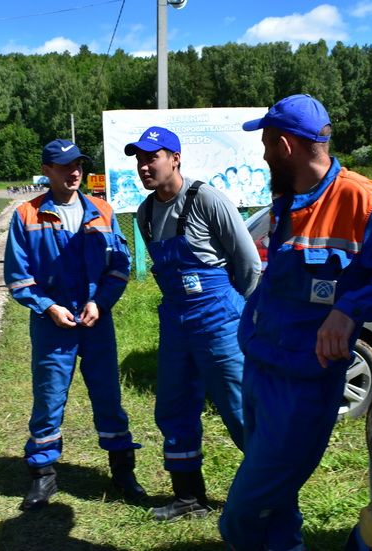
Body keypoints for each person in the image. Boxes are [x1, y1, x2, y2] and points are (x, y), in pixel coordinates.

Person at [219, 94, 372, 550]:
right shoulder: (289, 198)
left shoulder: (360, 199)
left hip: (302, 387)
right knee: (275, 499)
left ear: (286, 146)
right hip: (261, 369)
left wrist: (349, 308)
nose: (262, 154)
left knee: (243, 514)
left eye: (266, 143)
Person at [124, 126, 262, 521]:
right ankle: (189, 497)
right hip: (176, 321)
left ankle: (269, 498)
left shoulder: (207, 199)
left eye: (152, 157)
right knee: (173, 406)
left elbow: (248, 263)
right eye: (139, 159)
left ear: (175, 158)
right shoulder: (146, 213)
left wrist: (244, 314)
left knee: (239, 408)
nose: (144, 166)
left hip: (219, 319)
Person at [3, 138, 146, 511]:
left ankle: (122, 470)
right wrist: (48, 307)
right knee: (49, 399)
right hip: (54, 324)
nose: (75, 172)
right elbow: (19, 277)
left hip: (97, 320)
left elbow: (119, 266)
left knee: (108, 396)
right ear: (47, 171)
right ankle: (43, 476)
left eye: (78, 165)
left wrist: (101, 301)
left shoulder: (102, 210)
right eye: (65, 167)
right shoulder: (26, 215)